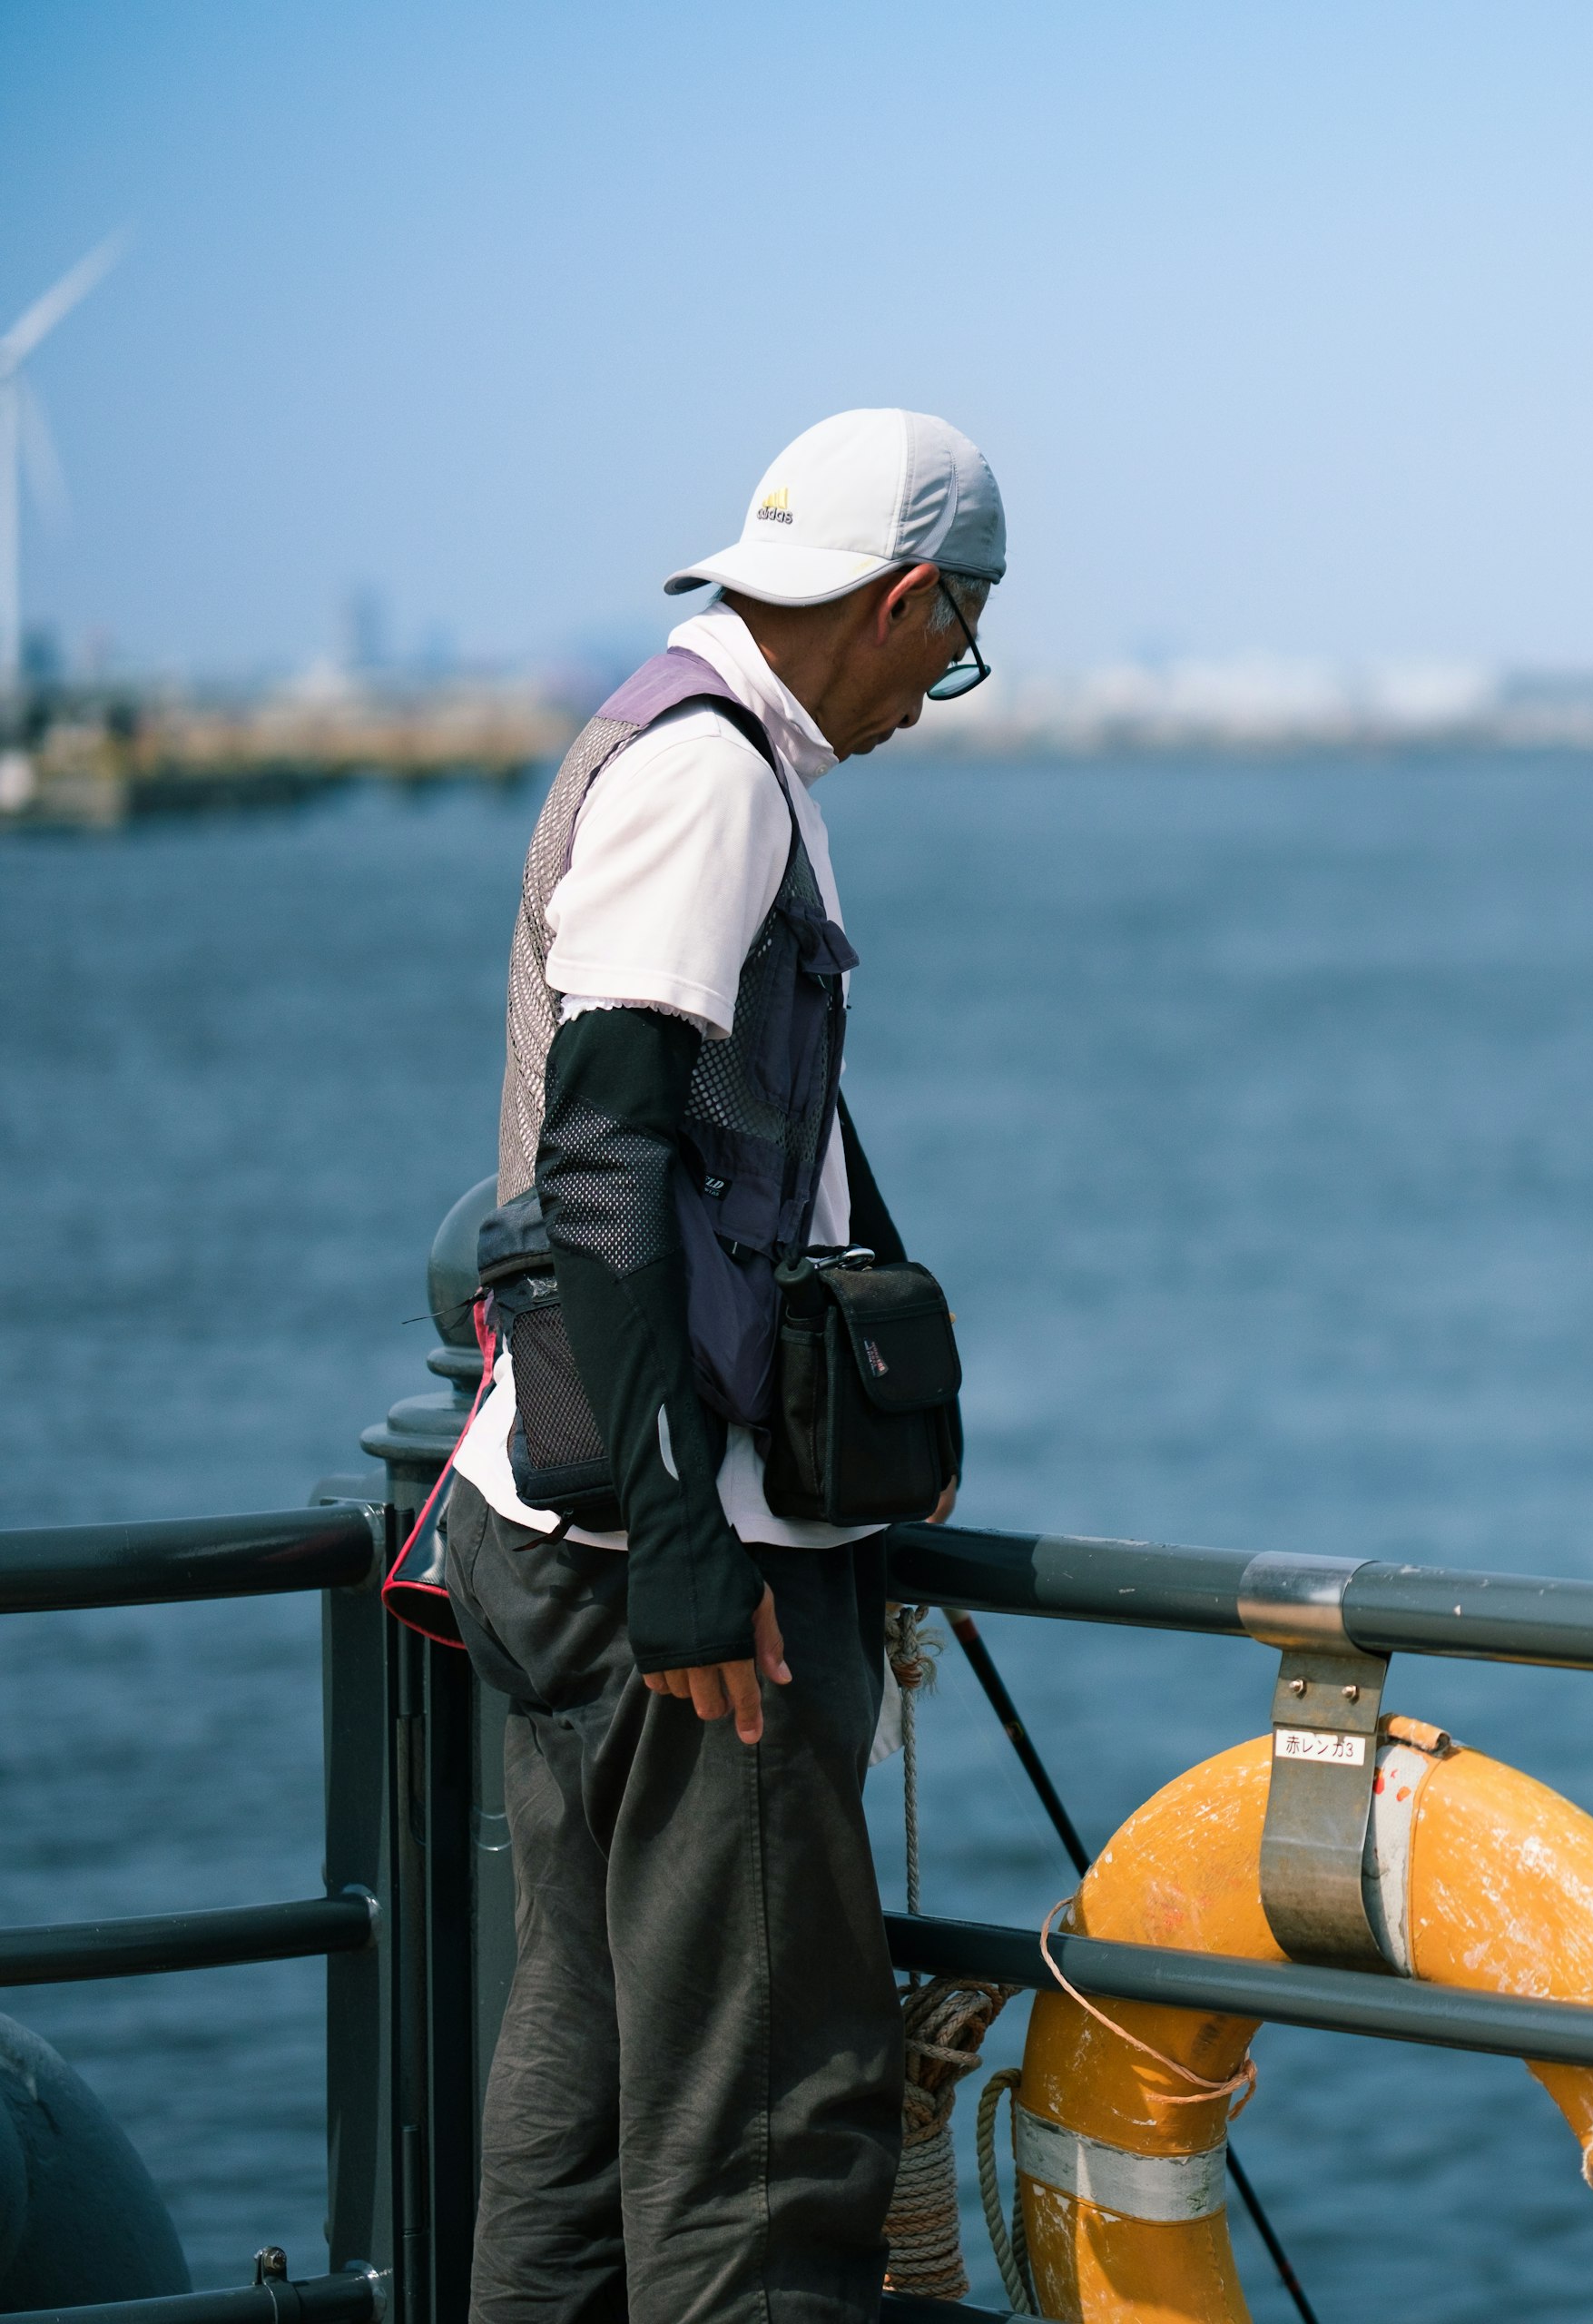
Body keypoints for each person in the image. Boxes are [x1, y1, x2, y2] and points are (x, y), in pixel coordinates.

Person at [437, 408, 1002, 2324]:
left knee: (588, 2089)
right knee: (766, 2130)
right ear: (907, 595)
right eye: (964, 634)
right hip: (687, 1578)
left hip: (548, 1515)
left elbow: (717, 1125)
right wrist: (688, 1536)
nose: (953, 680)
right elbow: (607, 1151)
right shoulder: (719, 778)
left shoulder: (672, 728)